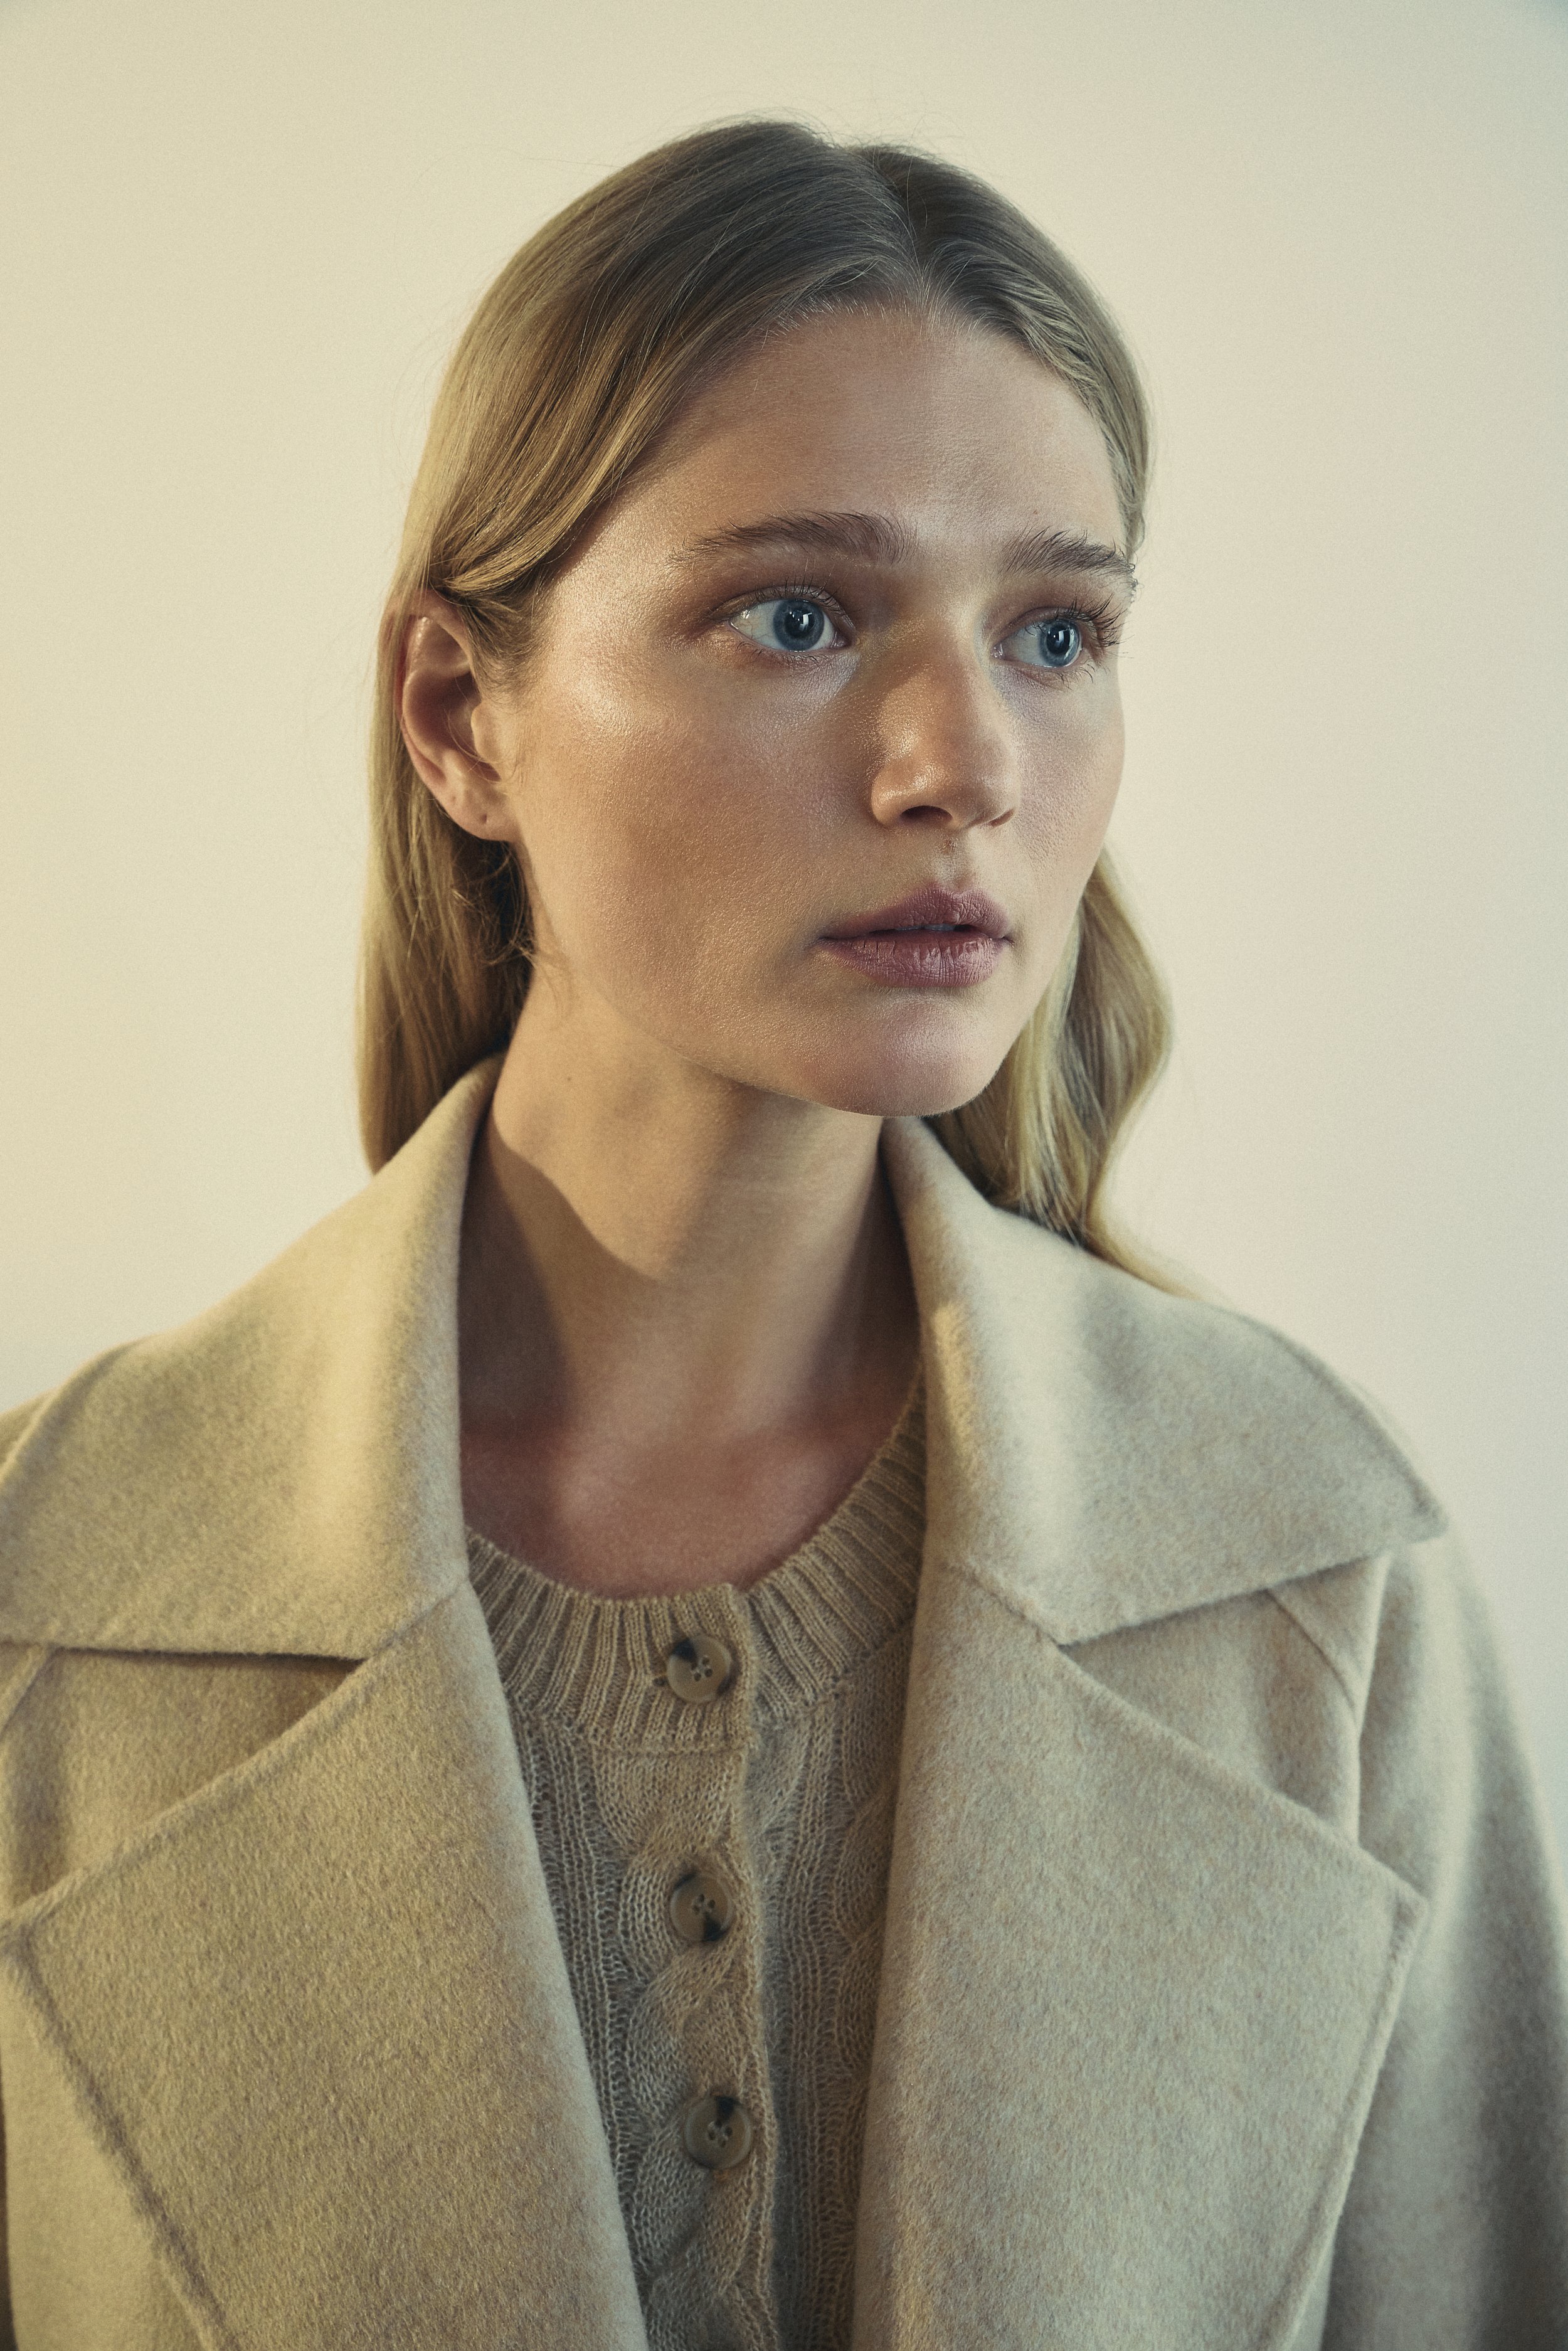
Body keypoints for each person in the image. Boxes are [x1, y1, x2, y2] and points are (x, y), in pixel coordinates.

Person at [0, 116, 1562, 2351]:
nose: (964, 763)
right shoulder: (51, 1591)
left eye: (1053, 631)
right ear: (463, 717)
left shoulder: (1317, 1567)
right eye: (798, 615)